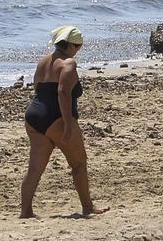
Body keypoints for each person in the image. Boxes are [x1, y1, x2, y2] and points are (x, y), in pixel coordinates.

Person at [20, 25, 107, 219]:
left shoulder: (43, 61)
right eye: (78, 46)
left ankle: (25, 211)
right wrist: (67, 122)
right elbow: (63, 92)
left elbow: (37, 86)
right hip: (56, 116)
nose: (78, 50)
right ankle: (87, 207)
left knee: (35, 168)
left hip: (34, 114)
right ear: (71, 45)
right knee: (78, 163)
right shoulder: (69, 63)